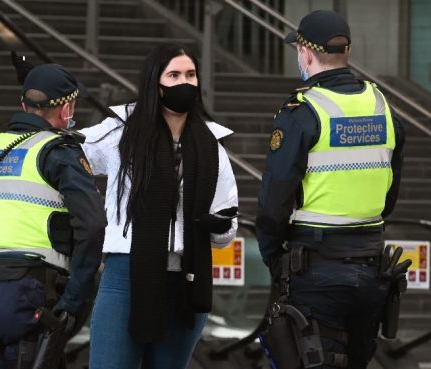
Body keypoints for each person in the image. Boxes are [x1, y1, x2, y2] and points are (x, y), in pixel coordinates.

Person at [0, 59, 107, 369]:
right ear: (65, 109)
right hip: (32, 295)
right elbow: (92, 227)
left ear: (23, 104)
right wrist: (73, 303)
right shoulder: (59, 152)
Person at [255, 10, 406, 369]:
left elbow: (274, 200)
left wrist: (275, 258)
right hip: (372, 269)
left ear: (305, 54)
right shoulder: (381, 106)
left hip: (316, 270)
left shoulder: (303, 110)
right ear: (346, 52)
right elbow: (389, 197)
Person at [80, 43, 239, 369]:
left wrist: (218, 227)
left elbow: (228, 222)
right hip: (126, 276)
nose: (184, 81)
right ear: (156, 81)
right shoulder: (122, 130)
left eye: (191, 74)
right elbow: (70, 151)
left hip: (187, 281)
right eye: (175, 74)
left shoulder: (211, 144)